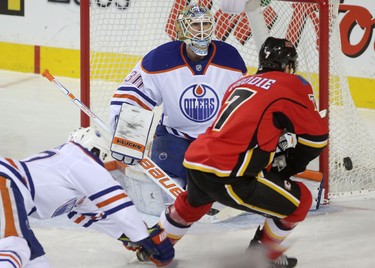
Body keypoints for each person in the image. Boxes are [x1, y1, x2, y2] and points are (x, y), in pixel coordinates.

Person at [154, 37, 329, 268]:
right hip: (229, 174)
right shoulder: (292, 84)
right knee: (301, 201)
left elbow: (242, 134)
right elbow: (316, 138)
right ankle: (261, 257)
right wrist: (290, 167)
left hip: (197, 160)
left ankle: (154, 246)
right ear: (288, 64)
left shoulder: (241, 83)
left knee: (195, 204)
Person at [109, 4, 247, 197]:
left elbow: (246, 104)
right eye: (194, 26)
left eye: (205, 24)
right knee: (167, 192)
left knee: (220, 192)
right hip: (174, 137)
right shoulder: (159, 59)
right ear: (182, 29)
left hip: (216, 140)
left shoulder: (230, 58)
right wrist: (126, 132)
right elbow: (131, 95)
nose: (201, 32)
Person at [0, 126, 174, 268]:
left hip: (9, 188)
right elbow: (118, 203)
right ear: (97, 151)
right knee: (15, 245)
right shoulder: (78, 158)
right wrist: (144, 237)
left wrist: (129, 235)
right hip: (5, 181)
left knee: (36, 261)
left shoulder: (68, 176)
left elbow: (97, 216)